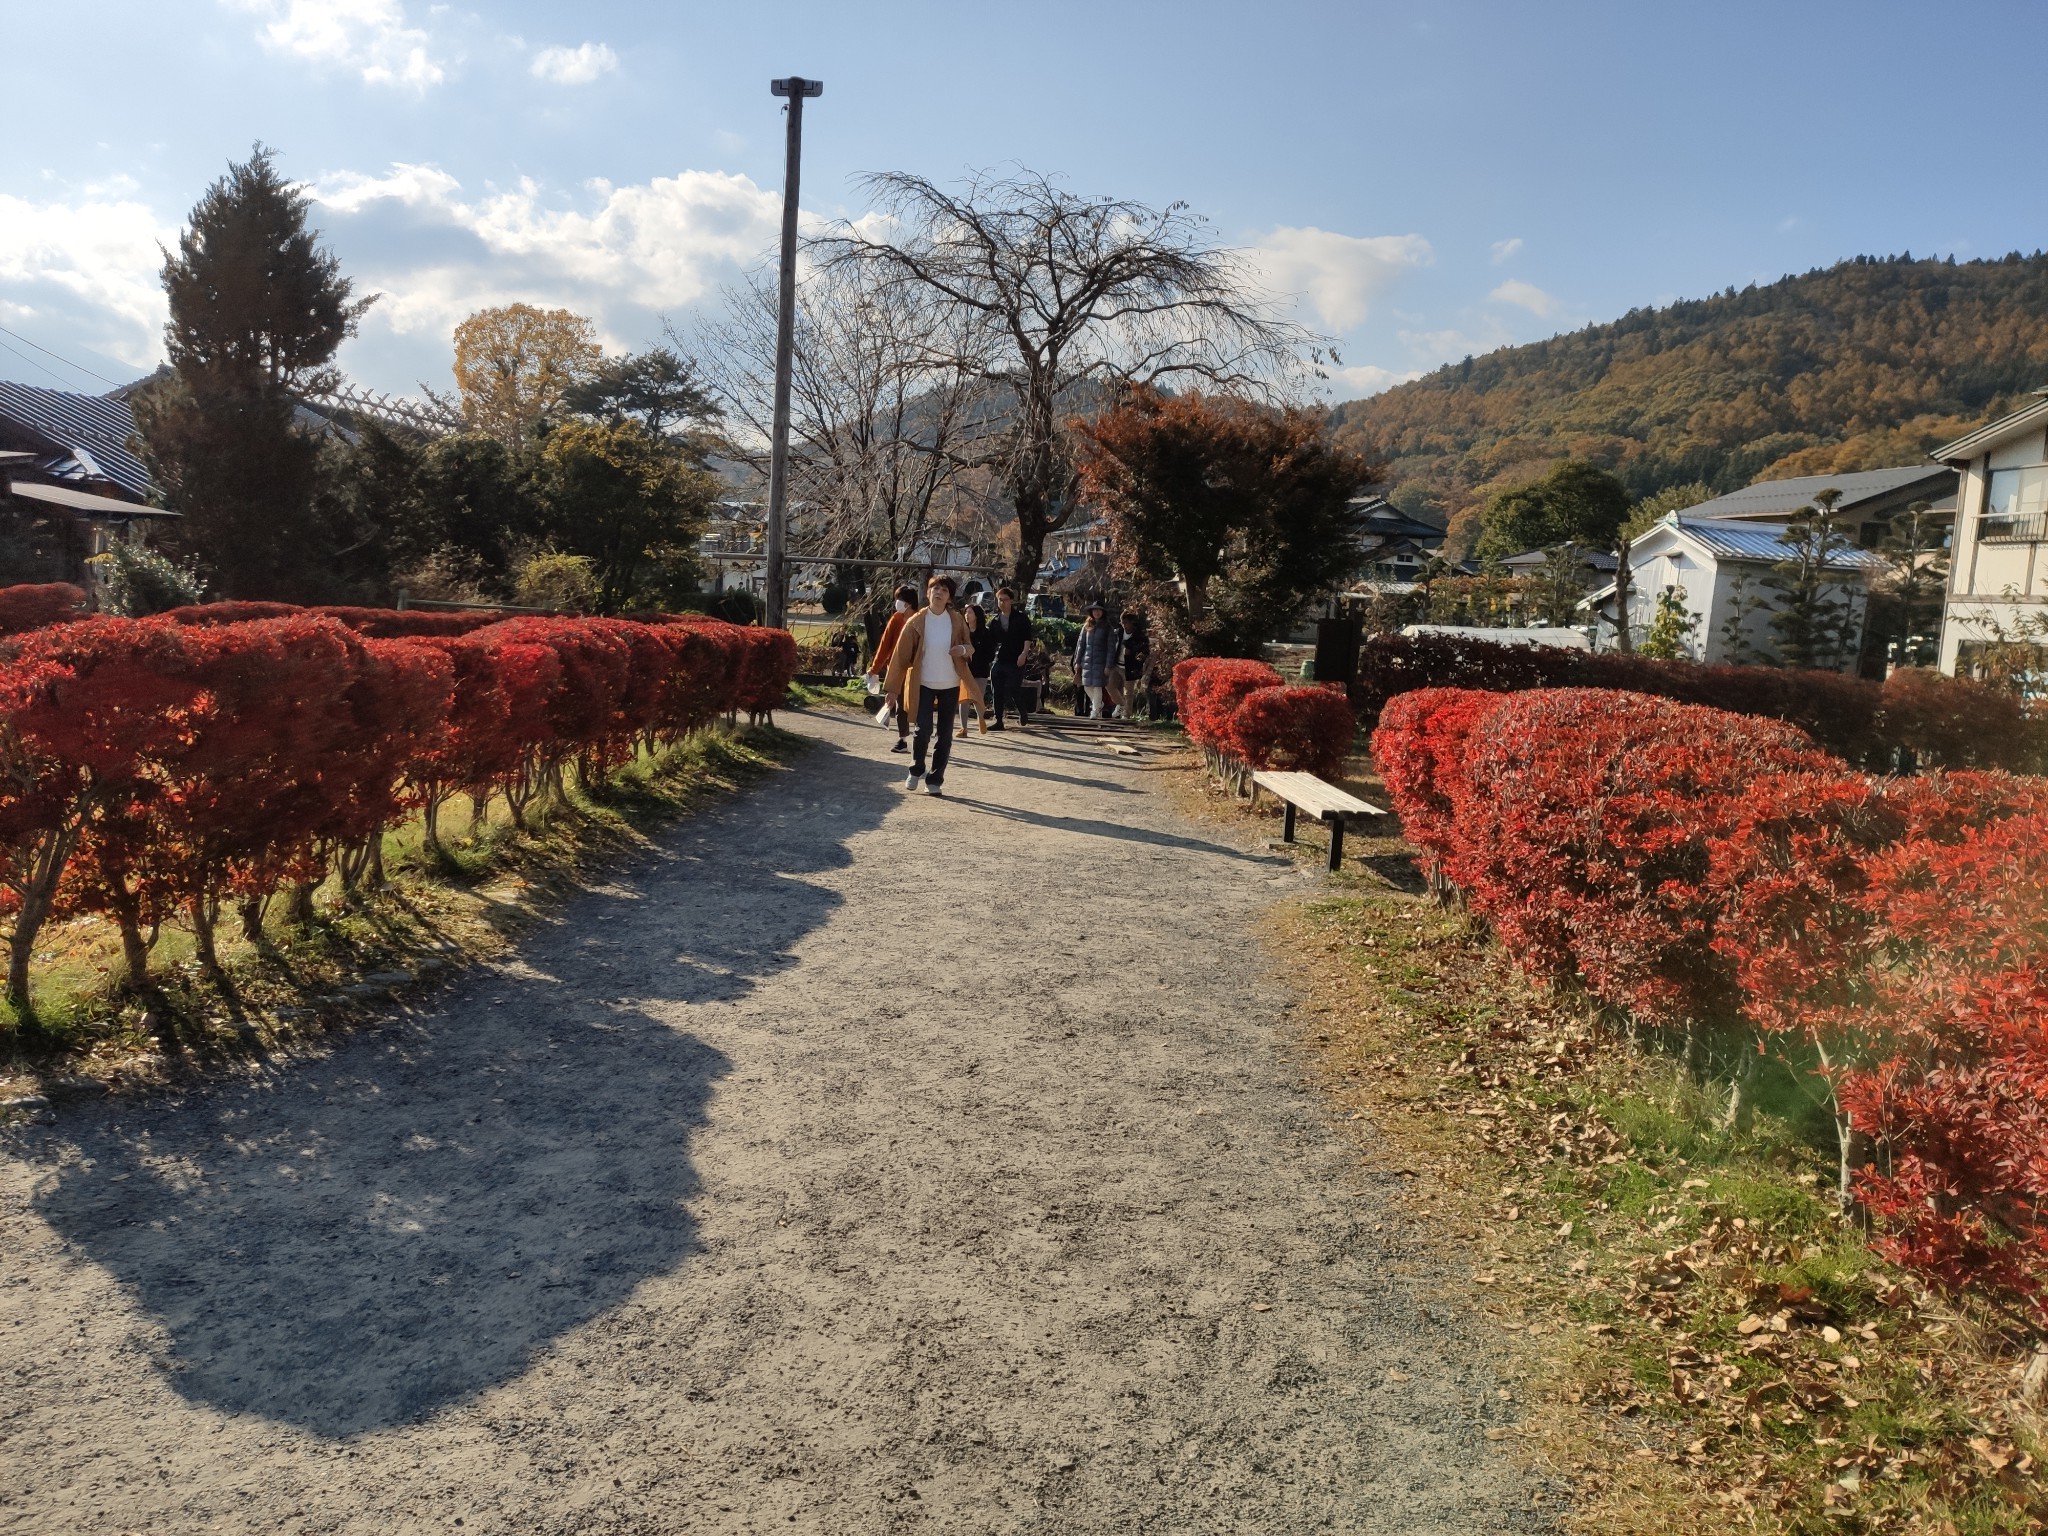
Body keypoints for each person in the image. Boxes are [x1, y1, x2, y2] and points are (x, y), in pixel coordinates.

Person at [883, 574, 974, 795]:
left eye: (944, 590)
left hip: (950, 684)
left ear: (949, 596)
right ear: (927, 593)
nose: (938, 592)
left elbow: (969, 647)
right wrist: (892, 690)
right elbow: (899, 657)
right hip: (922, 683)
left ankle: (935, 779)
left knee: (945, 736)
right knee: (922, 729)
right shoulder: (916, 622)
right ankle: (916, 770)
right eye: (934, 588)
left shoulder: (956, 620)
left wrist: (961, 650)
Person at [865, 584, 920, 753]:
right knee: (899, 703)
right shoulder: (896, 619)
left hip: (917, 668)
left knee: (920, 702)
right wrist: (875, 668)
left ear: (909, 603)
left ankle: (921, 735)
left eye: (900, 599)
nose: (897, 603)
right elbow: (885, 645)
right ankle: (903, 739)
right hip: (898, 668)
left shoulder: (920, 619)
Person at [986, 585, 1036, 731]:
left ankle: (1022, 711)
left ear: (1011, 601)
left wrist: (1024, 654)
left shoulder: (1020, 618)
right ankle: (998, 719)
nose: (1002, 603)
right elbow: (991, 641)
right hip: (1000, 658)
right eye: (999, 600)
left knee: (1014, 688)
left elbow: (1027, 638)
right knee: (997, 689)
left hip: (1016, 658)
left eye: (1005, 600)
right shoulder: (995, 620)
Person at [957, 601, 997, 738]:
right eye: (966, 612)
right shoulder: (962, 632)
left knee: (977, 698)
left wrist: (978, 656)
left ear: (977, 615)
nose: (967, 615)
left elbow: (991, 654)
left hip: (980, 670)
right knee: (964, 699)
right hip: (965, 670)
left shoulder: (985, 632)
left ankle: (981, 719)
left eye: (970, 612)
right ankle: (964, 728)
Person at [1071, 601, 1118, 718]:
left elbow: (1111, 648)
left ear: (1102, 612)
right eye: (1094, 610)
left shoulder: (1108, 628)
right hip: (1086, 661)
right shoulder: (1086, 626)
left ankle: (1095, 710)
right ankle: (1099, 704)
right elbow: (1080, 645)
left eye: (1099, 610)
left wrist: (1108, 665)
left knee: (1097, 686)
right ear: (1091, 612)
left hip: (1101, 662)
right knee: (1086, 685)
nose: (1097, 612)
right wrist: (1077, 662)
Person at [1114, 609, 1150, 719]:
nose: (1124, 625)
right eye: (1122, 622)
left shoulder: (1140, 636)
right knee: (1110, 685)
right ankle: (1120, 705)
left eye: (1126, 622)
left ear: (1132, 623)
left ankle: (1126, 714)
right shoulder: (1118, 633)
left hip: (1130, 667)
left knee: (1128, 692)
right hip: (1116, 664)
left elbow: (1144, 651)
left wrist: (1132, 652)